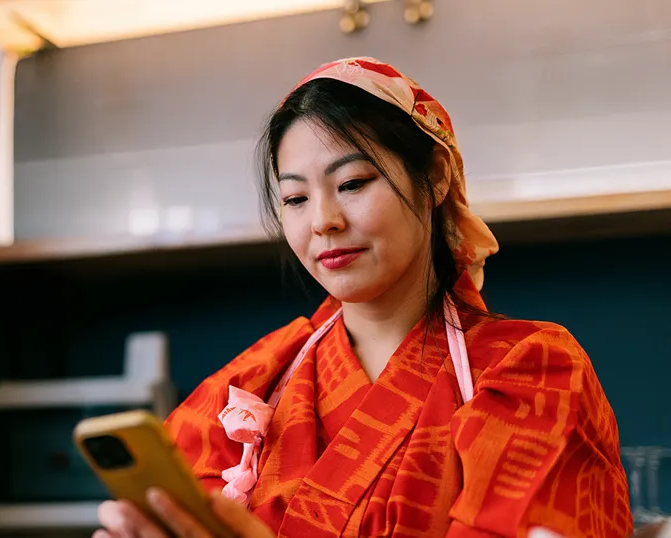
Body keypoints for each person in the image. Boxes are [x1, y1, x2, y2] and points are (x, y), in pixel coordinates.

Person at [94, 57, 633, 537]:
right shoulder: (251, 384)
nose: (323, 221)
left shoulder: (531, 371)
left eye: (352, 183)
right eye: (296, 198)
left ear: (435, 177)